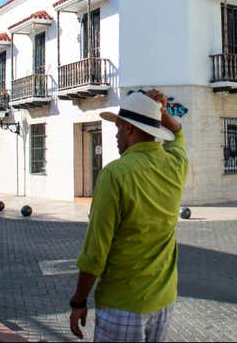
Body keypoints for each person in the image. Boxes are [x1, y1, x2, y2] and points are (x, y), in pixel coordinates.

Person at [70, 89, 188, 342]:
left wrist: (78, 300)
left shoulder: (114, 174)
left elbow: (95, 253)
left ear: (130, 129)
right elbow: (178, 135)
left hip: (122, 303)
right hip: (164, 301)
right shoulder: (176, 165)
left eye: (119, 127)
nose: (115, 134)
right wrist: (161, 113)